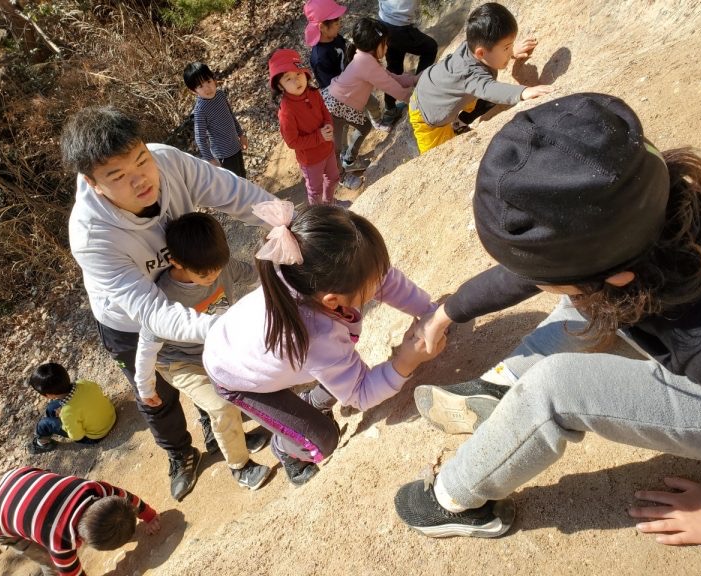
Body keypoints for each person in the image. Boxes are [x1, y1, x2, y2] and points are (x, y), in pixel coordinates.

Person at [393, 92, 701, 544]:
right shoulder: (653, 206)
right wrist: (445, 314)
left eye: (543, 276)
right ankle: (499, 387)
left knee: (555, 388)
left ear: (621, 275)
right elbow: (546, 272)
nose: (531, 280)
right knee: (584, 298)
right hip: (643, 292)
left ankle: (450, 500)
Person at [63, 106, 276, 501]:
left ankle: (216, 432)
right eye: (118, 176)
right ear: (94, 184)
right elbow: (153, 315)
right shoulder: (92, 235)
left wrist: (283, 221)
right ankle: (180, 454)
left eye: (140, 160)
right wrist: (223, 325)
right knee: (156, 393)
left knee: (206, 368)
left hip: (193, 291)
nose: (140, 178)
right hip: (129, 322)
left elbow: (234, 192)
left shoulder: (168, 161)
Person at [203, 201, 445, 486]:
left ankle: (311, 401)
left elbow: (385, 279)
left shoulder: (305, 268)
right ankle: (286, 449)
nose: (382, 281)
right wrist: (406, 362)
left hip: (250, 346)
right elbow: (360, 393)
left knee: (333, 372)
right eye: (374, 282)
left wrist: (429, 313)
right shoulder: (316, 336)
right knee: (324, 439)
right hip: (236, 378)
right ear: (332, 301)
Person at [134, 213, 271, 490]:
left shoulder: (219, 266)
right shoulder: (163, 298)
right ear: (177, 262)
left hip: (216, 347)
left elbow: (257, 275)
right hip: (180, 362)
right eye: (204, 274)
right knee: (221, 405)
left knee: (250, 380)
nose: (213, 278)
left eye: (217, 269)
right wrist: (144, 386)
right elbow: (147, 345)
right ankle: (240, 466)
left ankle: (238, 436)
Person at [409, 2, 552, 154]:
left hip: (438, 89)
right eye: (506, 48)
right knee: (437, 155)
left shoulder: (471, 47)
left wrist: (511, 52)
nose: (510, 50)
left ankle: (460, 122)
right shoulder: (469, 75)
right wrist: (523, 92)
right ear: (481, 53)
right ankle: (456, 125)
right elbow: (487, 88)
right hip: (427, 117)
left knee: (482, 98)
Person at [0, 466, 160, 576]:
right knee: (50, 562)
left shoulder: (93, 488)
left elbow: (128, 498)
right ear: (83, 540)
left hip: (20, 475)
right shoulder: (59, 544)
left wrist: (149, 516)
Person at [322, 17, 417, 188]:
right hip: (334, 108)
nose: (387, 47)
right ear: (375, 45)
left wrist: (413, 80)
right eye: (385, 43)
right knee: (333, 148)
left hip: (344, 105)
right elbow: (393, 88)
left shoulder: (365, 58)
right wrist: (416, 98)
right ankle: (342, 176)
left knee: (365, 126)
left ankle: (349, 159)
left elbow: (390, 78)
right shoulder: (366, 63)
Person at [305, 0, 391, 139]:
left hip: (354, 82)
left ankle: (377, 122)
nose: (340, 25)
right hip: (340, 98)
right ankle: (344, 151)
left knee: (373, 103)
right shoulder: (319, 58)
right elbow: (331, 86)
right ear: (322, 27)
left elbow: (347, 52)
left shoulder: (335, 37)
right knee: (342, 125)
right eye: (337, 23)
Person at [269, 49, 340, 205]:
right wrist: (319, 136)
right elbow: (292, 142)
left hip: (327, 149)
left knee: (334, 178)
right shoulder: (286, 111)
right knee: (315, 191)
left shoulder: (313, 92)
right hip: (311, 160)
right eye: (288, 78)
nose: (296, 81)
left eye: (298, 74)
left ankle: (330, 203)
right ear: (280, 86)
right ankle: (320, 217)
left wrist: (328, 125)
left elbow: (325, 112)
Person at [27, 362, 116, 454]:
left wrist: (65, 422)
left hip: (95, 436)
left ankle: (42, 444)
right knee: (51, 407)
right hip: (111, 415)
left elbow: (77, 436)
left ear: (48, 395)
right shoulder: (84, 383)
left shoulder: (67, 413)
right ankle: (54, 424)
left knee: (44, 424)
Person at [183, 61, 249, 178]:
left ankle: (250, 195)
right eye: (200, 86)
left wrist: (241, 135)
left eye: (208, 81)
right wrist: (211, 159)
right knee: (234, 183)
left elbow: (231, 116)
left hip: (235, 145)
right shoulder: (200, 110)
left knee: (242, 176)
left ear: (214, 79)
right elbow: (200, 138)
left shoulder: (220, 95)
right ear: (194, 91)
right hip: (223, 155)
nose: (207, 88)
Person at [377, 1, 438, 124]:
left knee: (394, 66)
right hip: (399, 26)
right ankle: (421, 95)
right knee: (430, 48)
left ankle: (390, 109)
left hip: (384, 22)